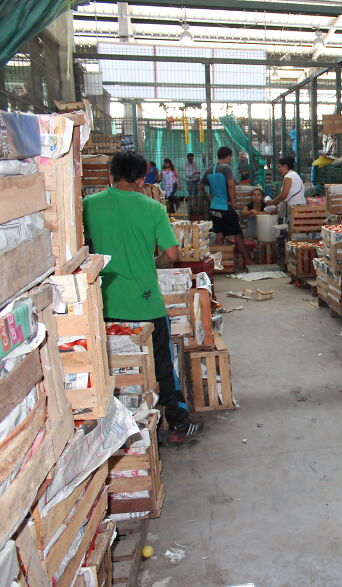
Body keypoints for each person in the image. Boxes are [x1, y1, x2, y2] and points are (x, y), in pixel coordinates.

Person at [82, 151, 201, 444]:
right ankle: (177, 423)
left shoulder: (87, 205)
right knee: (162, 363)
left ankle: (114, 429)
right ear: (140, 177)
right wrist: (152, 264)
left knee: (111, 364)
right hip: (145, 302)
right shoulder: (153, 208)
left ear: (110, 174)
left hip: (103, 302)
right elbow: (172, 254)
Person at [200, 146, 250, 268]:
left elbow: (200, 186)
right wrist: (233, 202)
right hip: (226, 207)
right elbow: (231, 185)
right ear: (228, 156)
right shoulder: (227, 168)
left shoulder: (209, 170)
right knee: (237, 234)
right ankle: (248, 261)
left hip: (214, 208)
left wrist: (209, 198)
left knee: (219, 234)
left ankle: (219, 264)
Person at [266, 156, 304, 223]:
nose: (279, 169)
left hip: (294, 207)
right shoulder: (295, 175)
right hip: (299, 207)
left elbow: (284, 195)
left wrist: (272, 202)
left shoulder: (288, 176)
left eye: (279, 167)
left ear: (285, 166)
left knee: (292, 230)